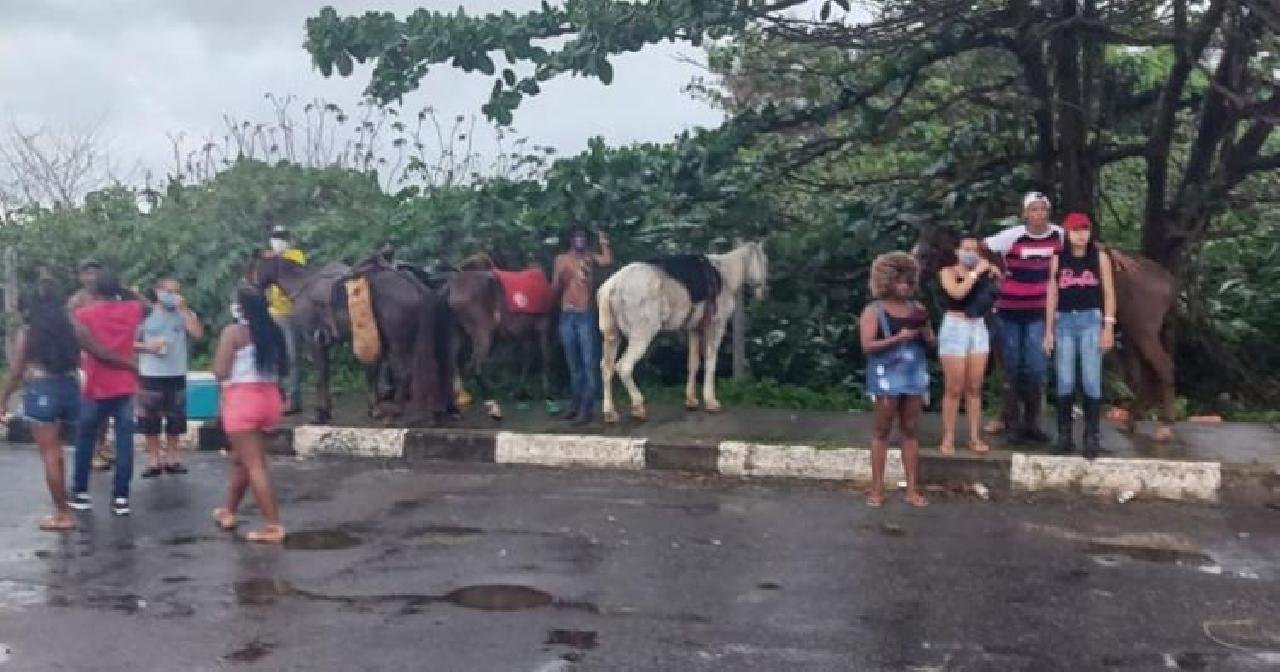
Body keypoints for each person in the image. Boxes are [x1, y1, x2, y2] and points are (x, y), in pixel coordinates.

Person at [0, 282, 130, 530]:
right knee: (73, 448)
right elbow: (101, 353)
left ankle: (62, 513)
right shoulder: (73, 328)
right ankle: (75, 497)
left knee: (51, 455)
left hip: (42, 389)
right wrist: (130, 365)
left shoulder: (29, 333)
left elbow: (16, 371)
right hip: (70, 387)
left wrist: (3, 399)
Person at [983, 191, 1064, 445]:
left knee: (1036, 367)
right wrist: (996, 267)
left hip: (1040, 311)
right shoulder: (1012, 236)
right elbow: (983, 246)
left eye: (1042, 209)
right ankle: (1012, 423)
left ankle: (1033, 423)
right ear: (1025, 213)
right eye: (1033, 210)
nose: (1038, 214)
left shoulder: (1059, 236)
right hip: (1009, 311)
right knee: (1011, 366)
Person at [211, 285, 288, 543]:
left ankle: (273, 526)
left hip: (243, 400)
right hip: (269, 398)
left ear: (240, 307)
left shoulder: (234, 332)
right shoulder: (273, 331)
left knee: (255, 464)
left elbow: (221, 371)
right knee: (241, 460)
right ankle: (229, 511)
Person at [860, 252, 935, 508]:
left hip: (914, 374)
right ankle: (877, 488)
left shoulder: (919, 309)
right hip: (885, 376)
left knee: (910, 430)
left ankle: (912, 489)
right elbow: (867, 346)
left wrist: (925, 332)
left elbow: (932, 342)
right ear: (886, 281)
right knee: (882, 431)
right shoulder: (874, 310)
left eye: (908, 280)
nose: (904, 285)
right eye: (899, 280)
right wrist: (897, 338)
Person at [69, 270, 145, 516]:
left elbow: (82, 340)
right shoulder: (132, 309)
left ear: (94, 291)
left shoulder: (84, 315)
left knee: (85, 441)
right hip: (125, 385)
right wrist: (124, 290)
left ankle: (80, 492)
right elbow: (146, 304)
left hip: (96, 385)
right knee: (124, 443)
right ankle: (121, 497)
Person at [1044, 212, 1116, 458]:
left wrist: (1108, 326)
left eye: (1084, 229)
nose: (1080, 235)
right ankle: (1064, 435)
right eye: (1075, 230)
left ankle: (1091, 435)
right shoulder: (1058, 257)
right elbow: (1052, 293)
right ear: (1067, 232)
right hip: (1064, 319)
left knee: (1091, 379)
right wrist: (1048, 330)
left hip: (1090, 319)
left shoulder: (1099, 257)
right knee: (1065, 379)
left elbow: (1108, 292)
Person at [936, 234, 1001, 455]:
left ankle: (974, 437)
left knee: (974, 386)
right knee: (954, 387)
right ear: (957, 251)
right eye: (966, 248)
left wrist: (992, 274)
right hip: (955, 325)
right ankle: (948, 437)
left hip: (978, 327)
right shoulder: (947, 273)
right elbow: (957, 292)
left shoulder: (986, 273)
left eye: (975, 249)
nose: (971, 253)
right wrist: (975, 273)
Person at [136, 278, 204, 478]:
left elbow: (198, 334)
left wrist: (184, 310)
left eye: (176, 292)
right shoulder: (145, 315)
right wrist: (148, 347)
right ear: (157, 291)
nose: (172, 296)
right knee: (150, 419)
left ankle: (173, 457)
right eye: (168, 291)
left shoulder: (184, 314)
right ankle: (153, 459)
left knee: (176, 418)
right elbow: (129, 342)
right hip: (150, 372)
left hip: (176, 371)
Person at [550, 225, 613, 425]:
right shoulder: (561, 260)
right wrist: (562, 279)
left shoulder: (589, 258)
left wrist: (604, 243)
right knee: (574, 364)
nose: (580, 240)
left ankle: (587, 408)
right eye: (577, 237)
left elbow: (607, 260)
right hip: (567, 314)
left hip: (585, 313)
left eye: (583, 237)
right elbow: (554, 288)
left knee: (588, 362)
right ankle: (575, 404)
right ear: (571, 240)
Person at [67, 259, 114, 471]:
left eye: (94, 273)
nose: (91, 277)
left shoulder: (108, 297)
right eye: (87, 273)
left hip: (108, 356)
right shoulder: (77, 301)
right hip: (87, 358)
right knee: (91, 406)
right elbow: (68, 331)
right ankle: (92, 450)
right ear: (80, 277)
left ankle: (102, 445)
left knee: (106, 406)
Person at [263, 223, 305, 414]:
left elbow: (293, 271)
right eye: (275, 238)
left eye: (281, 238)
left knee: (292, 356)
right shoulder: (269, 259)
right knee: (273, 357)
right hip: (273, 312)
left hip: (292, 313)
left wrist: (275, 259)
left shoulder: (295, 256)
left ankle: (293, 398)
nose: (278, 242)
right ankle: (275, 397)